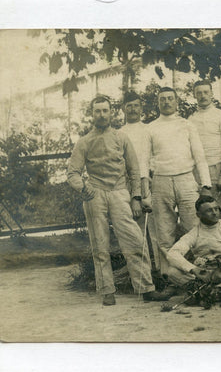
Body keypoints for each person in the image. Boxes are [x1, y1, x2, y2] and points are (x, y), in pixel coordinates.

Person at [67, 95, 170, 305]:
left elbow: (134, 170)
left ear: (111, 112)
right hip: (95, 194)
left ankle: (146, 289)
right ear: (92, 114)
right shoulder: (84, 142)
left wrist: (135, 198)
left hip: (120, 192)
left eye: (105, 110)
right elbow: (72, 173)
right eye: (98, 111)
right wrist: (83, 187)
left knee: (134, 239)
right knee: (100, 244)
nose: (102, 115)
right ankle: (107, 291)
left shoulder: (121, 138)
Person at [142, 86, 212, 285]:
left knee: (194, 227)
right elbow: (144, 161)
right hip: (161, 181)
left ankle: (201, 273)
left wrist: (205, 184)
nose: (166, 102)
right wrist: (145, 192)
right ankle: (170, 278)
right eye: (162, 99)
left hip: (186, 179)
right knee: (164, 233)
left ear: (176, 101)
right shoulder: (151, 127)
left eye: (170, 99)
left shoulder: (187, 125)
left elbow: (200, 156)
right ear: (158, 103)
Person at [164, 196, 221, 303]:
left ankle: (213, 292)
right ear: (198, 215)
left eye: (216, 209)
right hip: (204, 274)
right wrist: (194, 270)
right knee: (172, 271)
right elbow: (172, 253)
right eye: (209, 210)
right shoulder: (194, 233)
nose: (214, 213)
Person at [119, 91, 161, 272]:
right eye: (129, 106)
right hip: (128, 183)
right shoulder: (119, 133)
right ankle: (140, 271)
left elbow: (153, 156)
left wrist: (148, 179)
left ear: (141, 108)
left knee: (156, 227)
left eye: (136, 105)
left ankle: (160, 269)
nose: (133, 109)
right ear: (123, 109)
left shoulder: (149, 129)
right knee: (134, 229)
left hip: (150, 180)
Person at [188, 80, 221, 223]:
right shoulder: (191, 119)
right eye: (199, 93)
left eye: (206, 92)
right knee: (202, 212)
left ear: (211, 94)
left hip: (218, 168)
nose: (203, 96)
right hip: (197, 172)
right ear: (195, 95)